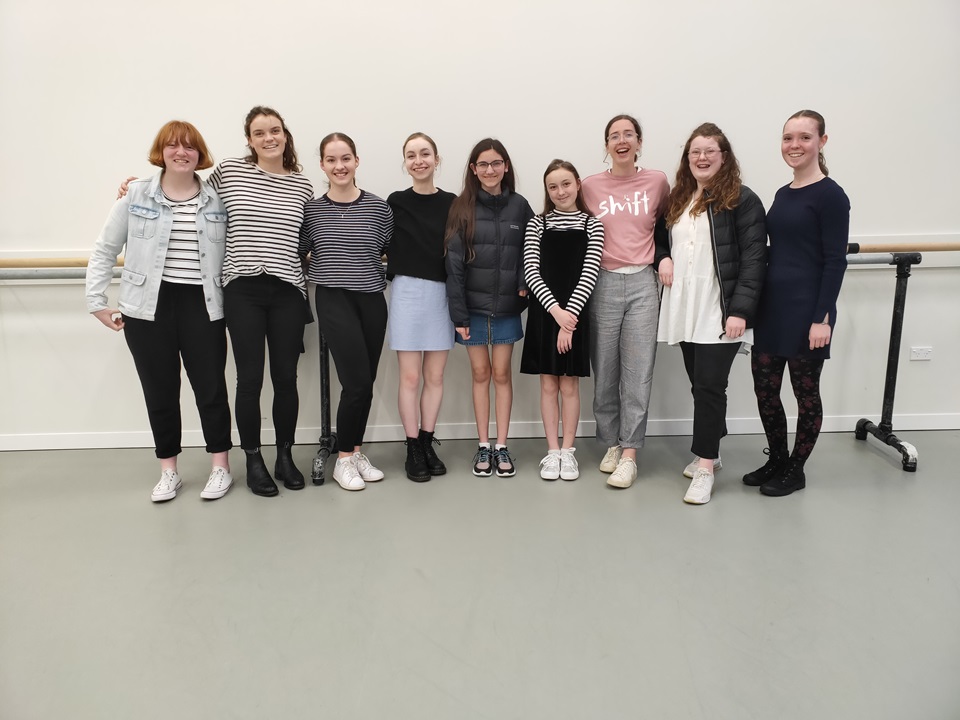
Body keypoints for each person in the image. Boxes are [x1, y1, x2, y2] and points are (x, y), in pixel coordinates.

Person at [119, 106, 315, 498]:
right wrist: (136, 187)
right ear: (249, 140)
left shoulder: (303, 185)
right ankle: (254, 460)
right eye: (259, 133)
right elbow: (182, 183)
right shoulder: (229, 172)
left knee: (285, 379)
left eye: (275, 131)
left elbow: (306, 239)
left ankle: (285, 457)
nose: (268, 138)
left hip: (288, 291)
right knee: (248, 379)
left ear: (285, 135)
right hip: (241, 288)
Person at [88, 121, 233, 503]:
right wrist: (96, 302)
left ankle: (221, 466)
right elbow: (104, 249)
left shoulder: (217, 198)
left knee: (211, 389)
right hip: (147, 308)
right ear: (161, 151)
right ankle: (169, 471)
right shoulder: (136, 194)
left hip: (203, 305)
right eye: (172, 146)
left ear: (200, 155)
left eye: (189, 147)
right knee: (160, 391)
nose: (181, 152)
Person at [655, 123, 767, 505]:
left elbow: (754, 260)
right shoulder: (679, 197)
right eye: (695, 152)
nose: (702, 158)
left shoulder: (742, 199)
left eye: (710, 151)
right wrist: (663, 257)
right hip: (685, 306)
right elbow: (659, 236)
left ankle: (704, 465)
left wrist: (740, 312)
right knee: (698, 383)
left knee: (708, 386)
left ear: (724, 156)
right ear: (688, 160)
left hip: (720, 308)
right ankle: (713, 453)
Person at [745, 110, 850, 497]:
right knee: (765, 389)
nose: (795, 145)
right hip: (773, 308)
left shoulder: (831, 196)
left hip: (808, 310)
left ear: (822, 142)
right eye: (788, 138)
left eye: (804, 137)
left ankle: (797, 469)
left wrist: (822, 318)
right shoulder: (783, 194)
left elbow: (835, 260)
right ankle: (777, 457)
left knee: (805, 394)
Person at [300, 132, 394, 491]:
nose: (339, 166)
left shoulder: (379, 208)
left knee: (365, 383)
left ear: (357, 161)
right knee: (354, 382)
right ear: (323, 165)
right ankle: (342, 460)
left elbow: (384, 247)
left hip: (372, 300)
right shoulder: (311, 210)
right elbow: (301, 250)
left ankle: (353, 452)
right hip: (333, 298)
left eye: (346, 158)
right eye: (331, 160)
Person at [580, 115, 669, 489]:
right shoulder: (589, 186)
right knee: (605, 370)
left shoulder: (657, 181)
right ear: (605, 145)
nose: (621, 141)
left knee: (638, 371)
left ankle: (630, 452)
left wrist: (663, 256)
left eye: (627, 135)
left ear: (639, 141)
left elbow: (666, 226)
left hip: (643, 283)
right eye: (614, 136)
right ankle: (612, 442)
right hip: (601, 282)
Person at [445, 138, 534, 478]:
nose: (490, 170)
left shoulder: (520, 206)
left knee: (501, 375)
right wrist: (459, 315)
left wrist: (525, 285)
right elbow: (453, 265)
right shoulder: (461, 207)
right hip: (473, 309)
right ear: (473, 169)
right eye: (483, 164)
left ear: (506, 166)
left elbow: (531, 249)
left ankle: (501, 445)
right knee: (480, 374)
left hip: (509, 307)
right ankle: (483, 445)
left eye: (496, 163)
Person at [520, 160, 604, 481]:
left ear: (578, 184)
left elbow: (589, 273)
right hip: (546, 313)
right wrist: (557, 314)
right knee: (547, 383)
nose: (560, 191)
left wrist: (570, 320)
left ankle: (568, 452)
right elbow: (531, 270)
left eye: (566, 184)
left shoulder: (592, 224)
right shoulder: (537, 224)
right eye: (553, 186)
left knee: (569, 384)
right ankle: (552, 451)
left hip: (576, 312)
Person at [386, 133, 456, 482]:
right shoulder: (395, 202)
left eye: (425, 153)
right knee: (411, 377)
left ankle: (428, 441)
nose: (419, 160)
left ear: (436, 159)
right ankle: (412, 447)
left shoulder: (453, 202)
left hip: (442, 294)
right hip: (407, 292)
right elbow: (380, 240)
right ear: (405, 162)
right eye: (411, 155)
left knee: (435, 376)